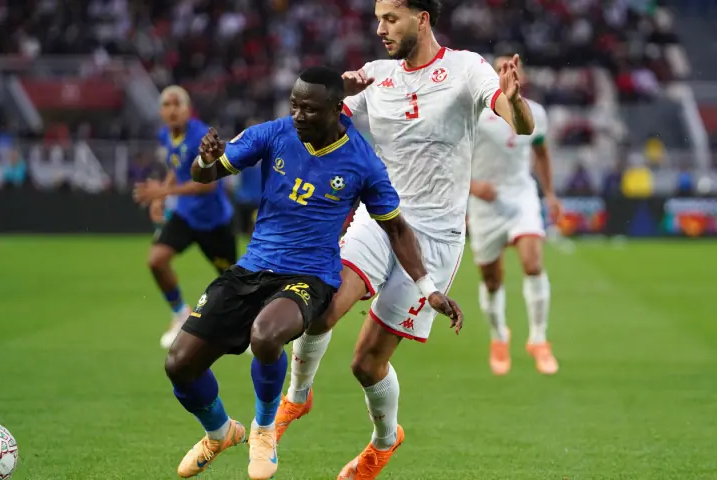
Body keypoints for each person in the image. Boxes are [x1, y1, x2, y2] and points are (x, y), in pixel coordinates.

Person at [163, 66, 462, 480]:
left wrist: (428, 288)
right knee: (178, 364)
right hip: (252, 267)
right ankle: (219, 432)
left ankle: (264, 428)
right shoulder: (273, 133)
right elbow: (208, 173)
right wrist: (204, 160)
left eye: (309, 108)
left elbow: (396, 227)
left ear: (338, 110)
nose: (299, 115)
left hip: (310, 277)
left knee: (266, 335)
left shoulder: (362, 161)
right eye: (294, 105)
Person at [276, 1, 535, 478]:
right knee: (322, 308)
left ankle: (383, 440)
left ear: (422, 18)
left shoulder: (466, 69)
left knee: (365, 365)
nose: (380, 29)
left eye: (390, 18)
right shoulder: (376, 75)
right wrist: (331, 98)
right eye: (377, 18)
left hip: (436, 238)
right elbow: (314, 129)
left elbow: (519, 123)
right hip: (381, 218)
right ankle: (295, 398)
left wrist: (513, 99)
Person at [468, 55, 562, 376]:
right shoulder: (476, 114)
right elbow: (451, 157)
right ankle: (498, 336)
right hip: (484, 202)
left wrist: (549, 194)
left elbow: (542, 153)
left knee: (533, 262)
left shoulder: (536, 113)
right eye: (499, 70)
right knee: (492, 279)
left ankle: (538, 338)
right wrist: (472, 186)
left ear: (520, 75)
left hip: (521, 195)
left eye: (511, 69)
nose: (505, 74)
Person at [133, 86, 237, 349]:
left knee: (234, 282)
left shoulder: (201, 137)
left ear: (187, 109)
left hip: (214, 222)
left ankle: (246, 326)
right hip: (185, 216)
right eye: (167, 105)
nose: (172, 109)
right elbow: (175, 166)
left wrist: (163, 191)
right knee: (156, 261)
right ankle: (180, 312)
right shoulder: (166, 136)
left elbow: (209, 184)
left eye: (177, 104)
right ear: (161, 112)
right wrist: (160, 197)